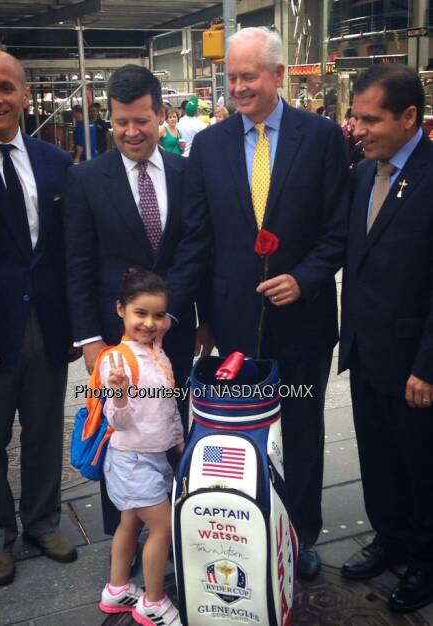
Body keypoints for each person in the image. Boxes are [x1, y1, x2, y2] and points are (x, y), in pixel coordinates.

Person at [169, 26, 348, 580]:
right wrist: (195, 317)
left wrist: (307, 278)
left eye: (249, 76)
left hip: (304, 318)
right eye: (232, 78)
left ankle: (302, 532)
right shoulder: (211, 144)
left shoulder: (320, 137)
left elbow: (338, 229)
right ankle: (250, 526)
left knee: (302, 427)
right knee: (244, 434)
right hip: (234, 321)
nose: (238, 88)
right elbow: (198, 239)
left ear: (277, 75)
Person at [64, 64, 208, 536]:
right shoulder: (86, 179)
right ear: (110, 117)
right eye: (120, 121)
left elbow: (195, 249)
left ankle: (174, 526)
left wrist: (174, 313)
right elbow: (79, 264)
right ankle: (125, 535)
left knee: (172, 422)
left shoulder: (188, 173)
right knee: (122, 431)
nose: (130, 131)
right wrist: (88, 339)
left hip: (175, 333)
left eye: (141, 120)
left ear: (160, 115)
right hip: (114, 338)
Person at [0, 50, 77, 586]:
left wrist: (79, 326)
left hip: (47, 325)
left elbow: (63, 253)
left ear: (25, 95)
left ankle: (41, 521)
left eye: (6, 87)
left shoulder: (53, 161)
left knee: (43, 431)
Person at [339, 64, 433, 613]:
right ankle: (389, 537)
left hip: (414, 363)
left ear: (409, 118)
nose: (357, 128)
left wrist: (428, 364)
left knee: (420, 464)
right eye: (355, 116)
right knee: (377, 457)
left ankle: (424, 560)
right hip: (366, 351)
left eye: (370, 119)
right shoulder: (362, 175)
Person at [98, 268, 182, 625]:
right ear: (121, 310)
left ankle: (116, 590)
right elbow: (120, 422)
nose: (149, 323)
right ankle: (153, 601)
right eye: (141, 313)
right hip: (130, 460)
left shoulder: (156, 352)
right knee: (162, 528)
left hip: (151, 456)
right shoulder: (116, 360)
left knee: (129, 523)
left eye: (158, 315)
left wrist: (180, 442)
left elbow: (167, 405)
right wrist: (118, 394)